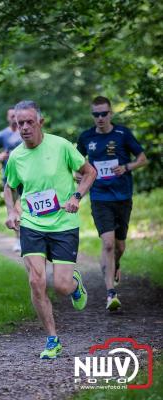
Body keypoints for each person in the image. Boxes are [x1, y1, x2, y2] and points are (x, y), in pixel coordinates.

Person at [4, 100, 96, 359]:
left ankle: (74, 282)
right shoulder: (16, 156)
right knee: (36, 281)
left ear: (40, 122)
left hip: (64, 224)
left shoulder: (61, 146)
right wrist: (12, 211)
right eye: (19, 123)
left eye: (29, 122)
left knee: (62, 287)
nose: (23, 128)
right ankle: (52, 339)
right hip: (32, 224)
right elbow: (9, 186)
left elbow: (89, 172)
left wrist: (76, 197)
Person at [77, 96, 147, 311]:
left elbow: (142, 158)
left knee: (119, 246)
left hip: (122, 196)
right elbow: (75, 164)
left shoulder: (122, 134)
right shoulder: (86, 137)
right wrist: (78, 177)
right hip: (99, 197)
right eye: (95, 114)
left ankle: (115, 264)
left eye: (103, 113)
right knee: (107, 243)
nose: (100, 118)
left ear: (111, 114)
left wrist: (126, 167)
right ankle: (110, 294)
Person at [0, 107, 23, 252]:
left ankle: (28, 237)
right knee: (14, 208)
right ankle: (18, 239)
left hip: (26, 174)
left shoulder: (25, 131)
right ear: (7, 118)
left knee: (24, 205)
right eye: (11, 116)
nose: (13, 118)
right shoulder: (2, 134)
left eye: (15, 116)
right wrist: (0, 157)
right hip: (9, 176)